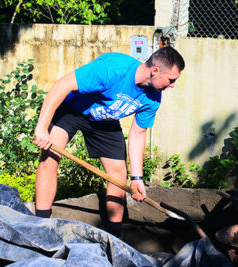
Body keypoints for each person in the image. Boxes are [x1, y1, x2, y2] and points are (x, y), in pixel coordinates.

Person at [33, 46, 185, 237]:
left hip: (105, 120)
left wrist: (137, 178)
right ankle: (40, 225)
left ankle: (114, 237)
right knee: (50, 157)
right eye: (171, 80)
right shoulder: (112, 68)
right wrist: (41, 127)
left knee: (118, 174)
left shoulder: (153, 97)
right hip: (72, 110)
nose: (172, 85)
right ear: (154, 71)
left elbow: (138, 133)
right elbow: (61, 85)